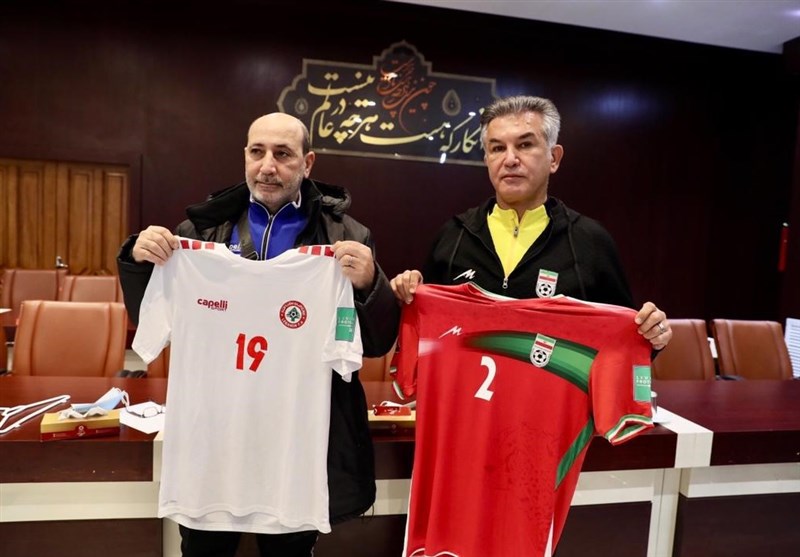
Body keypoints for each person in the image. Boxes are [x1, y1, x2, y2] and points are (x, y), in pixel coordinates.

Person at [117, 112, 399, 557]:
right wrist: (137, 261)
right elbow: (149, 321)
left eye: (283, 154)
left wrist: (370, 285)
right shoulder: (199, 233)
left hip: (297, 448)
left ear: (307, 162)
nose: (268, 166)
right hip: (213, 444)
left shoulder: (346, 238)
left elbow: (375, 343)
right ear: (245, 157)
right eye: (257, 152)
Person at [390, 95, 673, 349]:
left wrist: (652, 335)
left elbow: (623, 342)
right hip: (467, 392)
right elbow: (426, 335)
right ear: (487, 159)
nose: (510, 159)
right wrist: (404, 293)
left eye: (525, 145)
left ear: (554, 158)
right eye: (497, 148)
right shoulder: (453, 236)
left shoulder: (590, 241)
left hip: (557, 393)